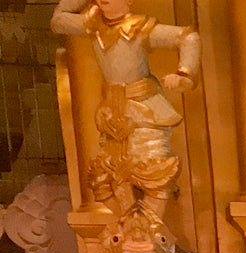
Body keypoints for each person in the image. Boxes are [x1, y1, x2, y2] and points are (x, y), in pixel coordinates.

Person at [50, 0, 201, 219]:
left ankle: (146, 230)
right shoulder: (93, 25)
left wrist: (184, 74)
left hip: (145, 111)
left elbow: (188, 37)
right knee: (106, 179)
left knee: (155, 174)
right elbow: (58, 20)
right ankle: (131, 227)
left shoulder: (140, 28)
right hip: (112, 114)